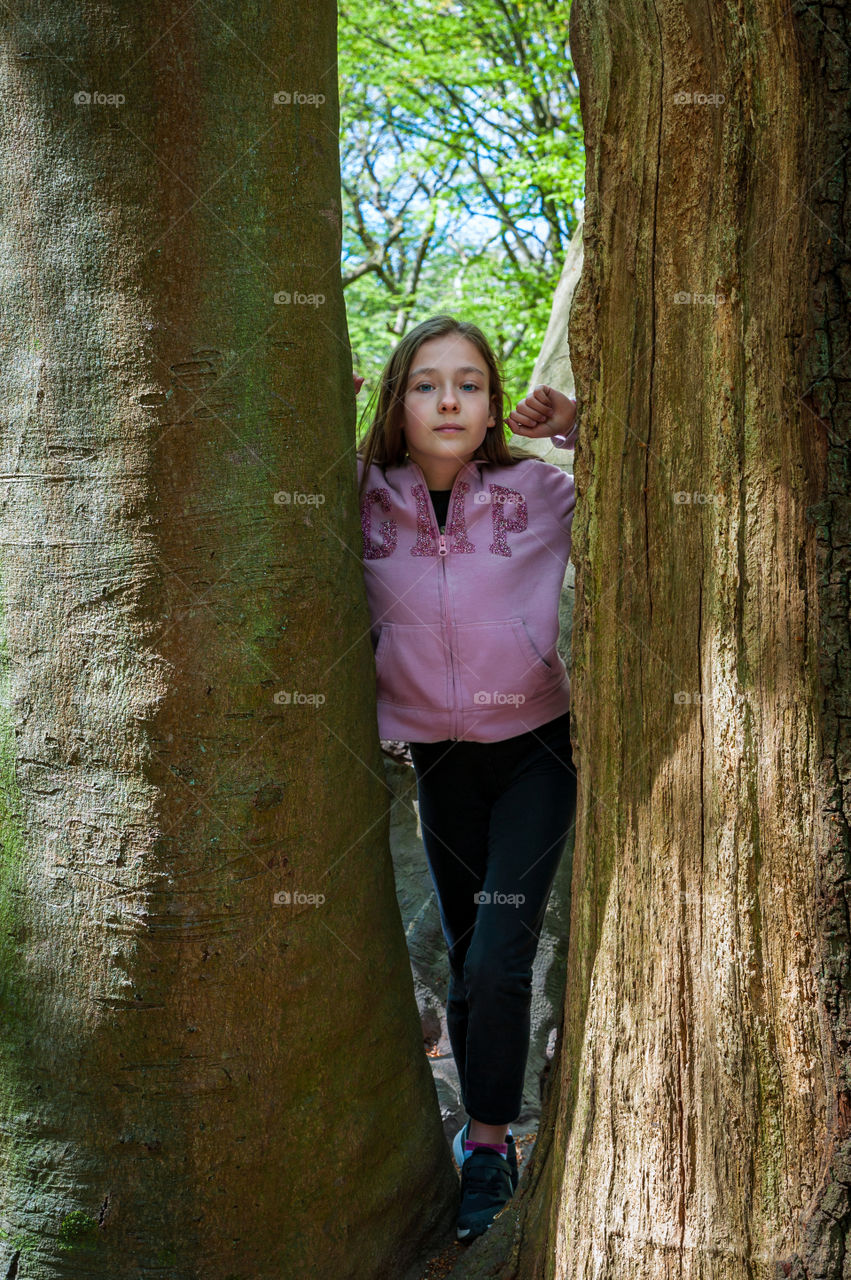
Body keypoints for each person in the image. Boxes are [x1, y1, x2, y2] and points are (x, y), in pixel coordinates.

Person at [353, 314, 579, 1244]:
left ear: (493, 409)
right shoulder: (359, 499)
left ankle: (489, 1144)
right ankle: (479, 1144)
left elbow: (651, 467)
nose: (449, 399)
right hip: (437, 765)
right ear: (396, 402)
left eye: (471, 384)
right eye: (426, 383)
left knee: (495, 955)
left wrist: (572, 421)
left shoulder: (539, 491)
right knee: (464, 957)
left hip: (533, 751)